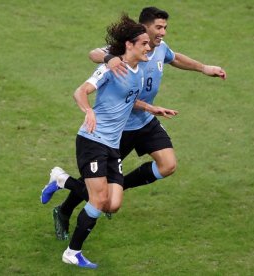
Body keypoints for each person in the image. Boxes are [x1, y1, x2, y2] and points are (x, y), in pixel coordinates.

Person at [46, 6, 227, 241]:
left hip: (146, 119)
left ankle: (119, 186)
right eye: (158, 27)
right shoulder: (127, 49)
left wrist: (205, 68)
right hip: (119, 128)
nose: (162, 32)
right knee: (96, 183)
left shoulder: (159, 49)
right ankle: (65, 209)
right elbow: (93, 54)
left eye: (165, 28)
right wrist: (110, 59)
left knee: (168, 165)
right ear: (145, 28)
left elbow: (175, 58)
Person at [40, 14, 177, 269]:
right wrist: (88, 111)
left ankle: (61, 179)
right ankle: (72, 252)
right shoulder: (111, 68)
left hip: (113, 144)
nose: (150, 48)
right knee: (99, 200)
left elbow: (129, 99)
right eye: (144, 44)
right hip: (92, 140)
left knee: (112, 204)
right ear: (129, 45)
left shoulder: (137, 72)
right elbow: (80, 91)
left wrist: (150, 107)